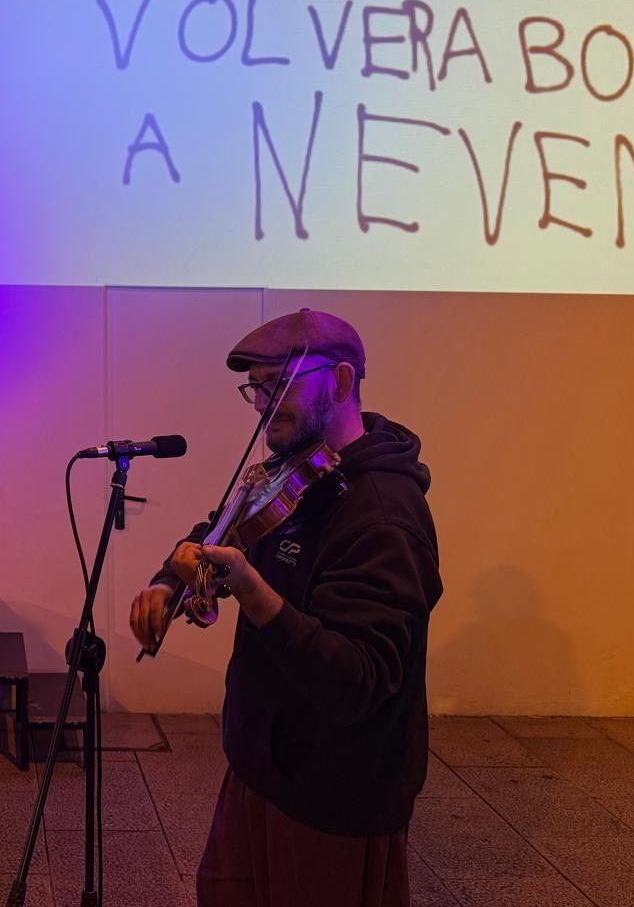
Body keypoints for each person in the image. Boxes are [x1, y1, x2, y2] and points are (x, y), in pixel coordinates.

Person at [129, 308, 440, 907]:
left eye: (281, 385)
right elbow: (218, 532)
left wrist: (251, 589)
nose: (262, 406)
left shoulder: (383, 515)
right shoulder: (296, 473)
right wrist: (170, 579)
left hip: (333, 791)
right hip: (260, 764)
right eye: (257, 388)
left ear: (342, 383)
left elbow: (359, 679)